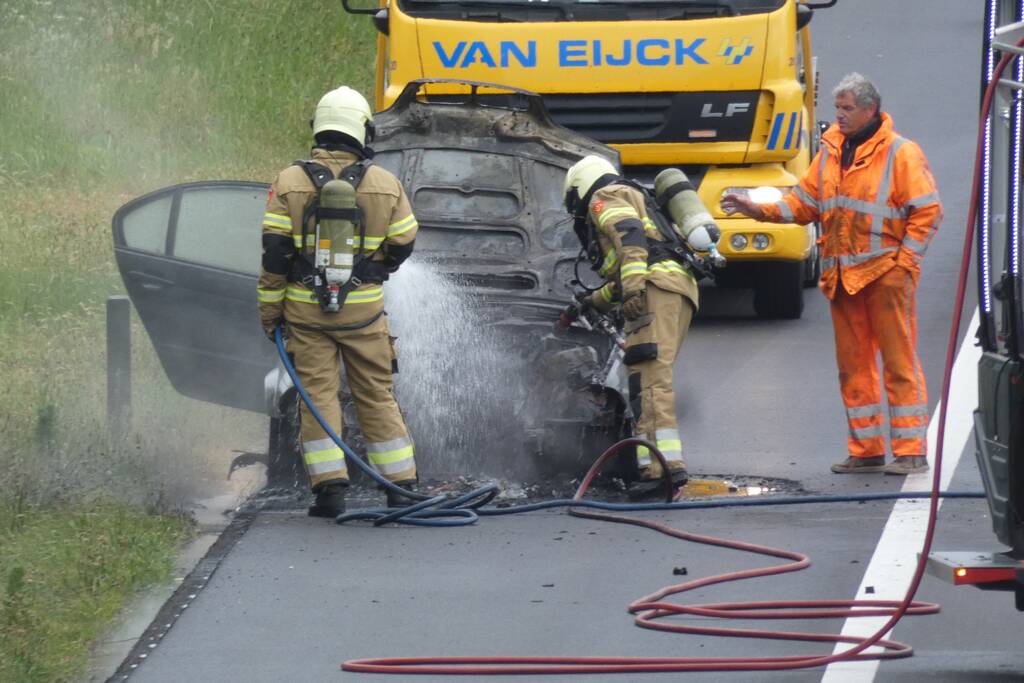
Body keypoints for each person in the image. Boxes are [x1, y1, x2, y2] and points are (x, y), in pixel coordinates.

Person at [721, 73, 942, 476]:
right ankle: (867, 449)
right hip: (843, 278)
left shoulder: (900, 153)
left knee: (898, 363)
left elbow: (927, 211)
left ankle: (911, 450)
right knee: (853, 367)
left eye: (847, 109)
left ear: (870, 110)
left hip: (886, 275)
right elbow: (805, 202)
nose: (839, 116)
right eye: (837, 108)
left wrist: (905, 264)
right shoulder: (830, 151)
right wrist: (756, 208)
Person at [256, 85, 420, 516]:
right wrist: (374, 268)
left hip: (306, 313)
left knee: (318, 395)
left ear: (320, 127)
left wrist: (270, 311)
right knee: (376, 393)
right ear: (362, 129)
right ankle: (400, 487)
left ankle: (330, 492)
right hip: (363, 313)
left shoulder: (288, 182)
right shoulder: (385, 184)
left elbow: (274, 255)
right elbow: (405, 240)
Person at [562, 155, 701, 493]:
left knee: (650, 383)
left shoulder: (605, 196)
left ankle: (662, 471)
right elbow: (626, 272)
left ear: (579, 188)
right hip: (673, 288)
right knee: (649, 378)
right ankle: (658, 466)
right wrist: (589, 303)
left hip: (655, 289)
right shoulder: (631, 193)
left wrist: (636, 291)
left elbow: (631, 240)